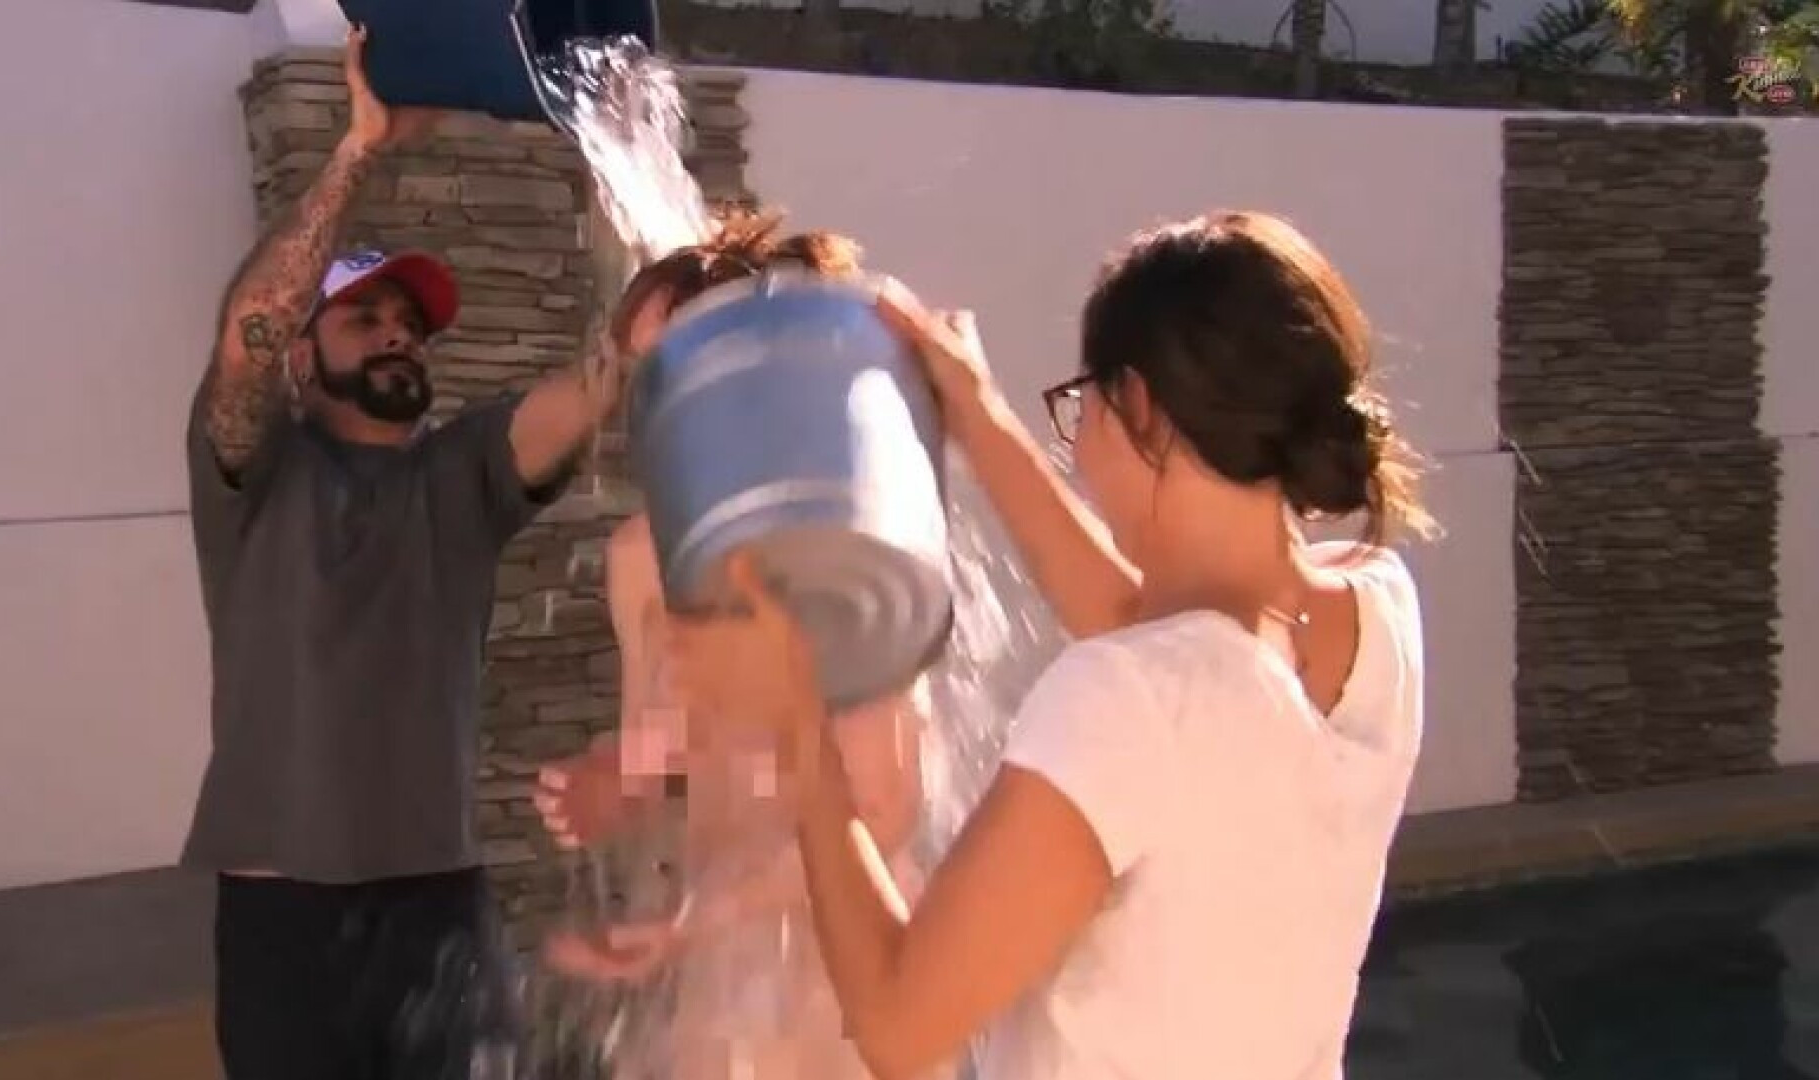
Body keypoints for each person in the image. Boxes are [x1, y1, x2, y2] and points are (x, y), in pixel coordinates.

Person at [668, 211, 1435, 1080]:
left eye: (1084, 405)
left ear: (1139, 405)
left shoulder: (1127, 695)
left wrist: (800, 726)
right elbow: (1162, 640)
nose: (1080, 436)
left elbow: (897, 1025)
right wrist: (980, 413)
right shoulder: (1376, 612)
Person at [181, 26, 630, 1080]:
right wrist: (359, 150)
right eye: (365, 318)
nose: (396, 334)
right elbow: (252, 320)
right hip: (283, 923)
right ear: (302, 357)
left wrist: (648, 304)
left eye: (409, 323)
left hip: (442, 910)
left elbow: (588, 389)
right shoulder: (252, 472)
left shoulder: (461, 475)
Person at [532, 217, 929, 1080]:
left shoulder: (842, 544)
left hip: (846, 975)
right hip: (721, 974)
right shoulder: (640, 556)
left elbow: (889, 804)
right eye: (646, 379)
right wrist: (617, 779)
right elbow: (662, 738)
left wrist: (702, 919)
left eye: (681, 369)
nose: (659, 405)